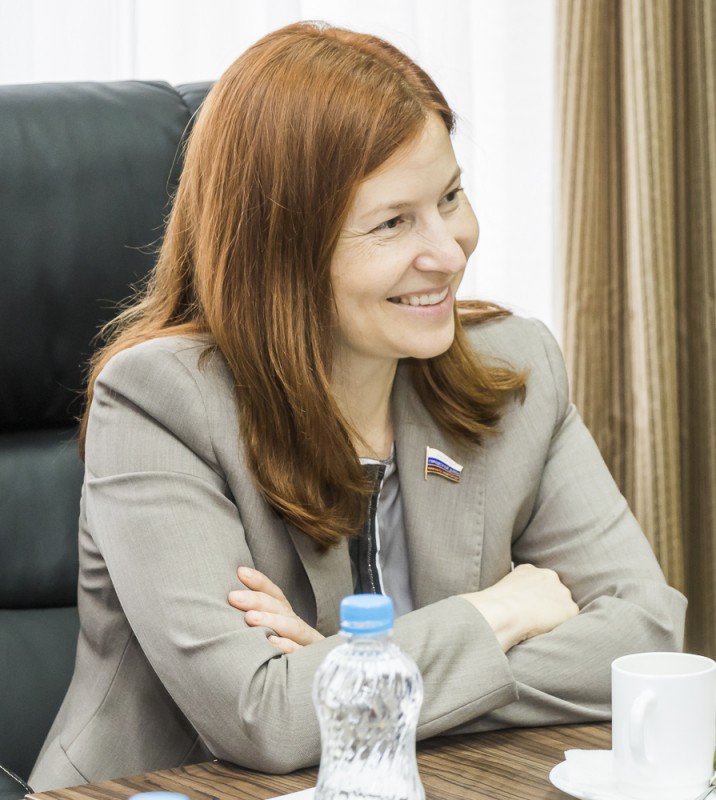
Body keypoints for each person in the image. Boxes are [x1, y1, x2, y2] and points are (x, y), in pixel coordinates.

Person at [30, 21, 685, 791]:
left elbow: (647, 639)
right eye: (394, 223)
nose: (450, 251)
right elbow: (264, 718)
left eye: (450, 196)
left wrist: (350, 675)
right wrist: (498, 615)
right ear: (283, 250)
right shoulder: (160, 405)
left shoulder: (514, 368)